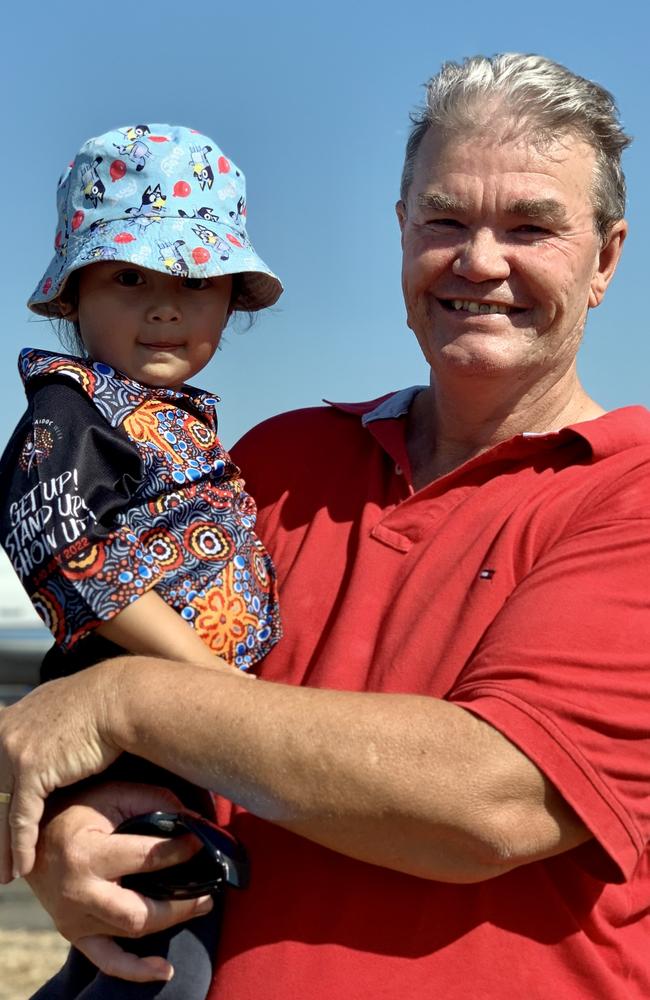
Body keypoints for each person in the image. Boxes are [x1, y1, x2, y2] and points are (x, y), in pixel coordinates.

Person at [1, 53, 649, 999]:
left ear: (604, 258)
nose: (479, 260)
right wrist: (77, 841)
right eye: (444, 219)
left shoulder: (630, 496)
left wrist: (122, 702)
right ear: (399, 234)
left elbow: (489, 805)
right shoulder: (276, 462)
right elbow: (185, 754)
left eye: (530, 226)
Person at [0, 124, 283, 998]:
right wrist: (212, 683)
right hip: (135, 744)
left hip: (178, 740)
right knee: (169, 960)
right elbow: (64, 549)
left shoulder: (167, 417)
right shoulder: (72, 409)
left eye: (194, 282)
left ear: (230, 303)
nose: (165, 305)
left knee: (133, 951)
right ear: (73, 296)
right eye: (130, 278)